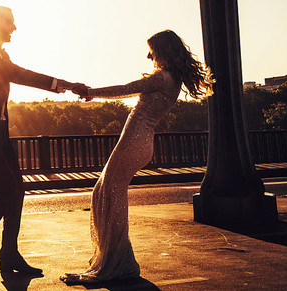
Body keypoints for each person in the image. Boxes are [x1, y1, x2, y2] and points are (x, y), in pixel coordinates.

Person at [61, 30, 213, 284]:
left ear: (162, 51)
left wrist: (90, 92)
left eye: (151, 51)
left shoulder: (162, 78)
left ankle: (114, 266)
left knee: (111, 194)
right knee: (102, 192)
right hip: (140, 141)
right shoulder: (172, 79)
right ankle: (117, 261)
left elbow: (125, 89)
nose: (148, 55)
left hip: (134, 141)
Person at [0, 6, 82, 276]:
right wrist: (64, 84)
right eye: (10, 23)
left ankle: (7, 253)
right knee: (9, 190)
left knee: (16, 190)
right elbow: (19, 74)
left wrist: (63, 84)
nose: (15, 28)